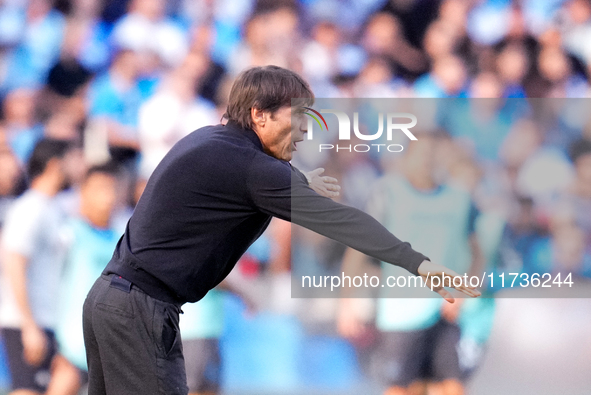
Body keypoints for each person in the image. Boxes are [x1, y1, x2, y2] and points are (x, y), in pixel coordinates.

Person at [82, 65, 479, 395]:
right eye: (300, 116)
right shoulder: (253, 170)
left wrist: (301, 181)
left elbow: (258, 173)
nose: (308, 130)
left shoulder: (213, 140)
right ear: (259, 114)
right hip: (140, 310)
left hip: (111, 301)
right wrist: (419, 264)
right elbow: (343, 221)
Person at [338, 133, 484, 395]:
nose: (427, 161)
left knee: (452, 386)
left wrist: (465, 292)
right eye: (421, 153)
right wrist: (346, 301)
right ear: (407, 158)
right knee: (402, 388)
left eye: (432, 154)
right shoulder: (388, 193)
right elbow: (358, 247)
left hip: (446, 307)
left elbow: (477, 253)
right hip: (400, 310)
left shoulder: (459, 199)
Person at [0, 138, 71, 395]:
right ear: (55, 165)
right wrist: (29, 325)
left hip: (49, 320)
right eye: (73, 158)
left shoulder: (54, 207)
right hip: (26, 322)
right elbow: (14, 264)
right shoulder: (29, 208)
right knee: (26, 391)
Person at [49, 163, 121, 395]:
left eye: (111, 189)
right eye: (100, 188)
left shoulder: (123, 241)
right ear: (83, 192)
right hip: (69, 351)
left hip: (109, 354)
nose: (107, 196)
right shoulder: (68, 234)